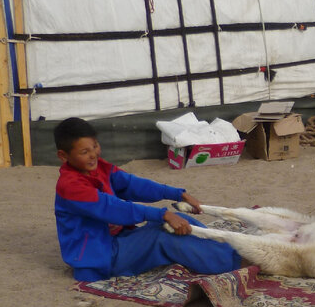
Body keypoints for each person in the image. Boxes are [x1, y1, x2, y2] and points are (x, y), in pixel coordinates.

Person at [53, 117, 241, 281]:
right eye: (84, 152)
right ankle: (235, 263)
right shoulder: (70, 186)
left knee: (182, 221)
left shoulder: (100, 168)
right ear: (63, 156)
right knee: (162, 237)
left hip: (119, 238)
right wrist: (162, 214)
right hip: (100, 256)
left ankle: (231, 251)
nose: (94, 154)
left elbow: (133, 185)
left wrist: (178, 194)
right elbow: (114, 208)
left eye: (95, 146)